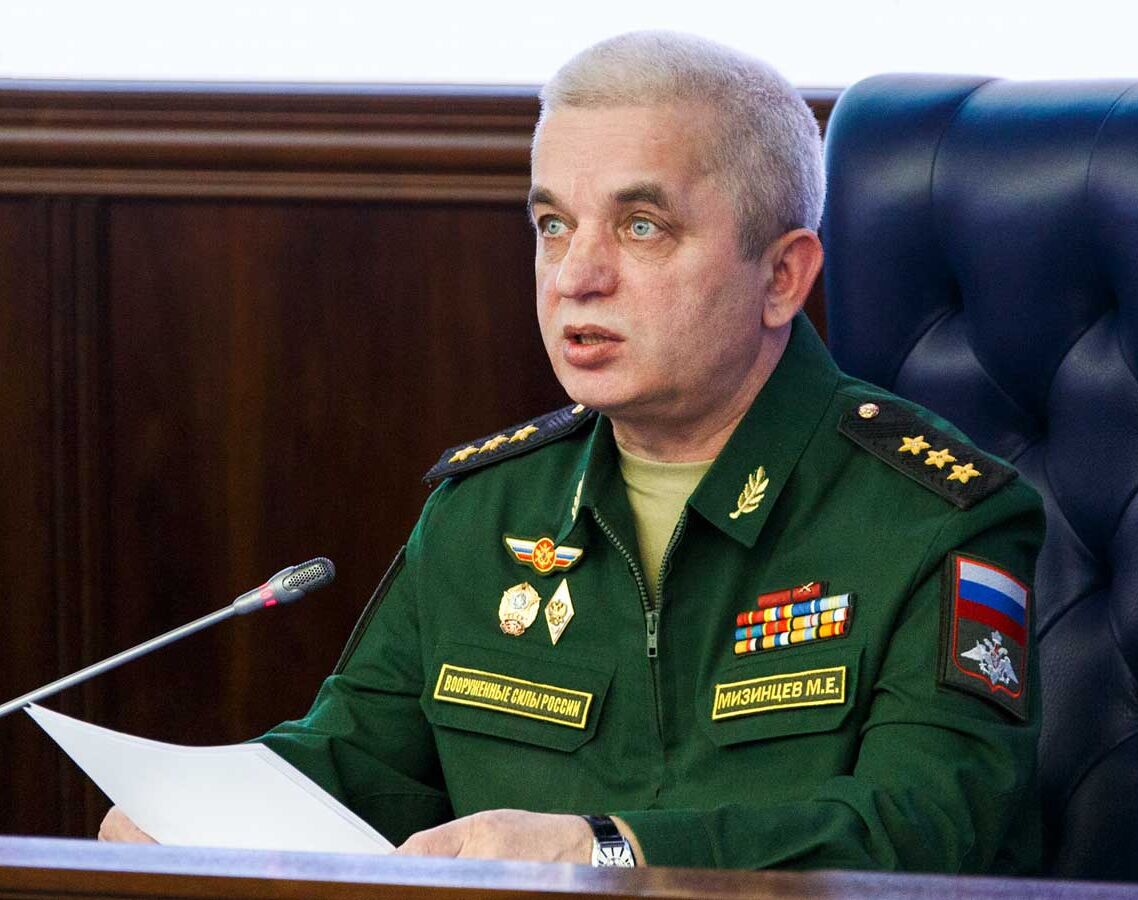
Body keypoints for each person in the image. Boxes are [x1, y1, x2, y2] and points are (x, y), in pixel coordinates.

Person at [100, 31, 1044, 873]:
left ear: (782, 276)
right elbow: (354, 767)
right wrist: (194, 813)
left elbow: (927, 830)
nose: (577, 277)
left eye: (642, 227)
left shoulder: (932, 516)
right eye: (553, 225)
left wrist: (609, 850)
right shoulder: (485, 510)